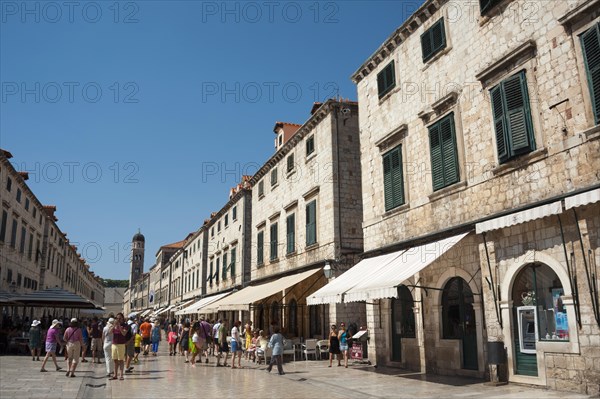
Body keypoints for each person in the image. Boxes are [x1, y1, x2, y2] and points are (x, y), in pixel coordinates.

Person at [110, 313, 129, 381]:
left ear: (122, 318)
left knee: (121, 360)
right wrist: (114, 326)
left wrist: (119, 327)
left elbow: (124, 333)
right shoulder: (114, 325)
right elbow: (109, 332)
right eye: (117, 318)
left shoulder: (125, 325)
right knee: (115, 360)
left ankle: (121, 375)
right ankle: (115, 375)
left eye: (120, 318)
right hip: (114, 344)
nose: (118, 320)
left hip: (121, 344)